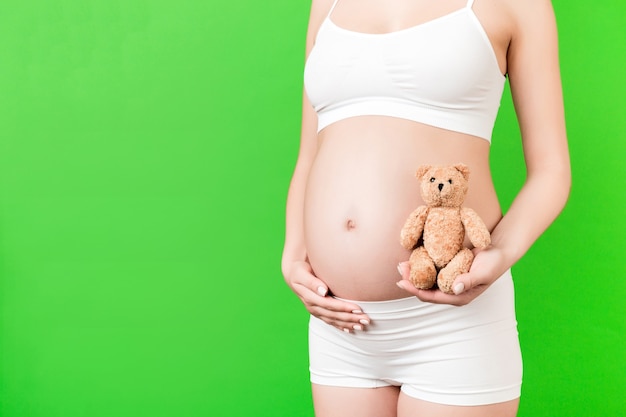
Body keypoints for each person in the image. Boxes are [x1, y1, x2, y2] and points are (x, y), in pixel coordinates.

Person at [281, 0, 570, 415]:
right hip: (340, 326)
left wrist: (500, 254)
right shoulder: (325, 4)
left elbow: (552, 171)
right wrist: (294, 255)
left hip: (453, 325)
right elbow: (310, 154)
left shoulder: (519, 4)